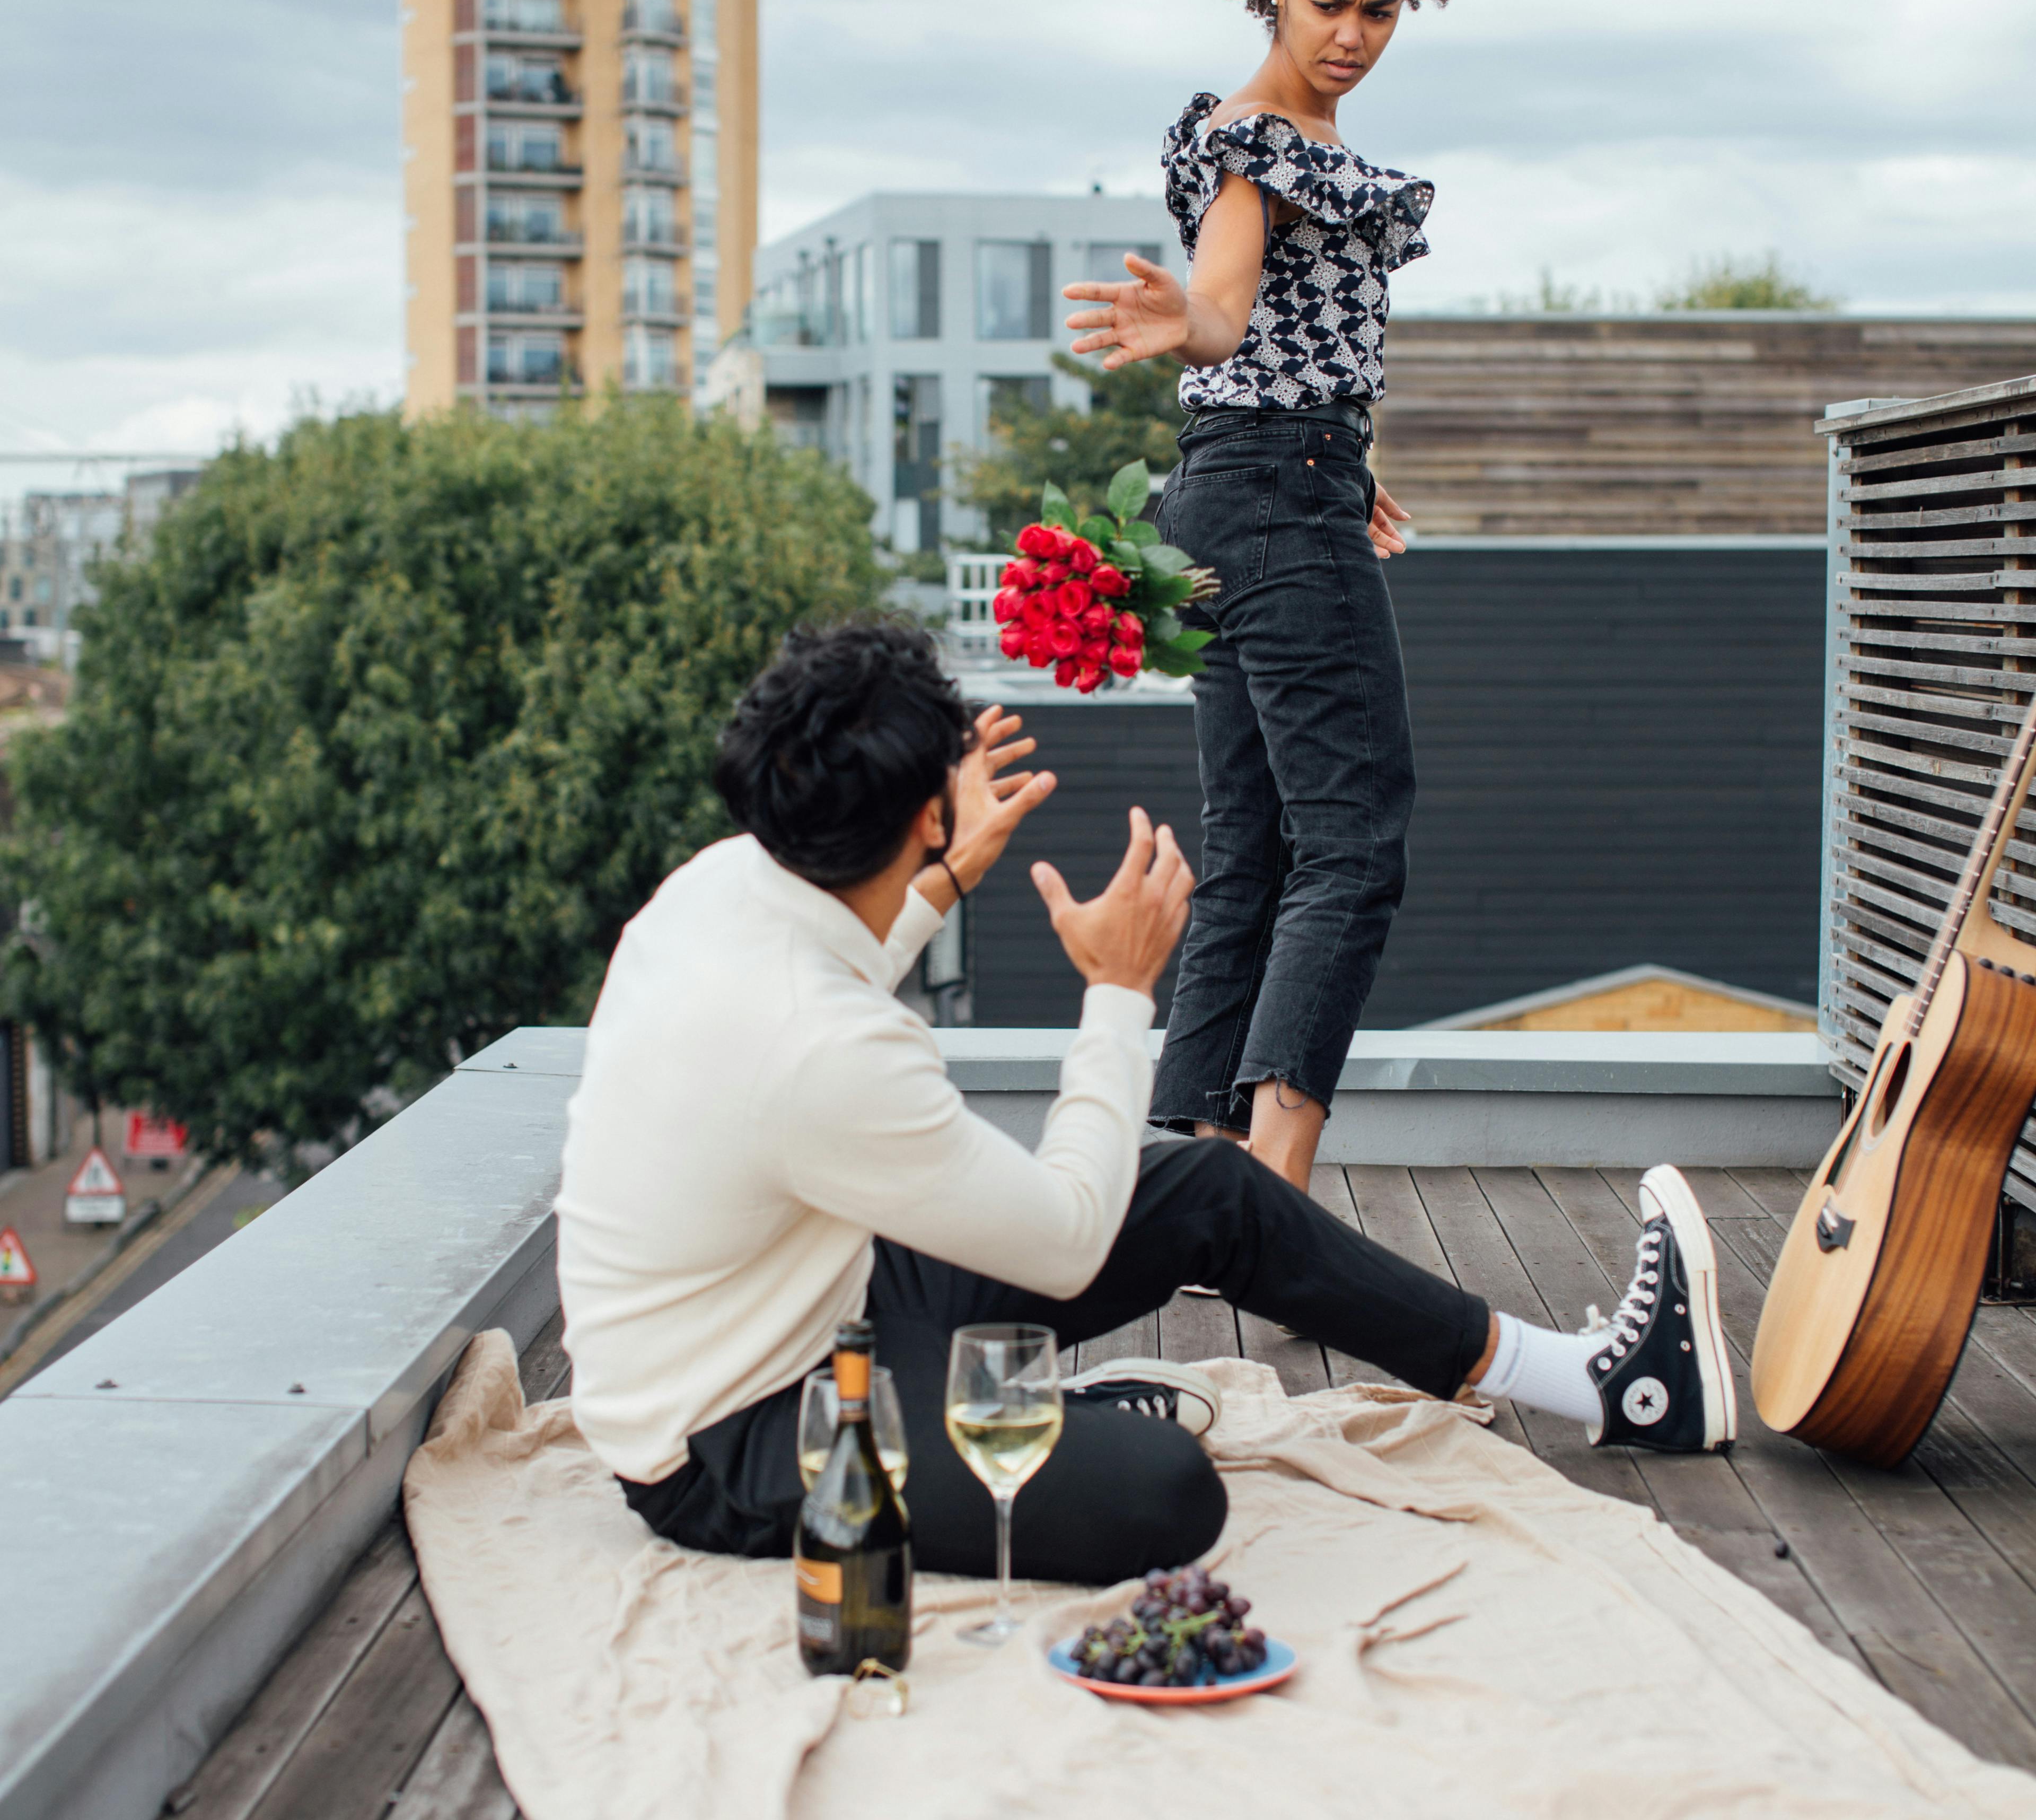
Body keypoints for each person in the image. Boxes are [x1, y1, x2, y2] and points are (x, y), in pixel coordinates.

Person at [556, 620, 1735, 1590]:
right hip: (733, 1438)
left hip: (821, 1296)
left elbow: (835, 979)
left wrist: (951, 870)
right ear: (924, 809)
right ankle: (1056, 1419)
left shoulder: (720, 885)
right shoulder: (820, 1049)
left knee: (1212, 1187)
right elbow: (1069, 1242)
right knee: (1165, 1493)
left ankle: (1589, 1382)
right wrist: (1120, 993)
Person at [1065, 0, 1478, 1194]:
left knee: (1252, 845)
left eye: (1380, 10)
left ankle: (1186, 1168)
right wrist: (1186, 323)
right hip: (1269, 488)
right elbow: (1231, 309)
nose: (1354, 35)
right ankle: (1279, 1191)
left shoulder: (1275, 134)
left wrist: (1335, 459)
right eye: (1326, 6)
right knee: (1352, 845)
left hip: (1236, 488)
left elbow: (1285, 344)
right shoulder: (1256, 144)